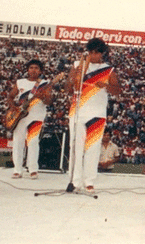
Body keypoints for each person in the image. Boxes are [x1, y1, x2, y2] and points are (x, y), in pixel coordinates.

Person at [65, 38, 121, 194]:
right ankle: (75, 181)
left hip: (97, 112)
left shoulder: (108, 69)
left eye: (96, 52)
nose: (93, 55)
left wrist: (107, 86)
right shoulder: (78, 65)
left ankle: (89, 181)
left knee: (93, 148)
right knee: (76, 147)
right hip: (77, 112)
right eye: (90, 51)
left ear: (102, 53)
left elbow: (118, 90)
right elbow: (68, 88)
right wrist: (77, 73)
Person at [7, 59, 54, 179]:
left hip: (37, 115)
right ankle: (17, 169)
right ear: (27, 70)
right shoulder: (20, 82)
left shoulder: (45, 83)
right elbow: (11, 96)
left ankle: (33, 169)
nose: (33, 70)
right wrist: (13, 107)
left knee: (33, 142)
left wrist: (42, 97)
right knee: (18, 142)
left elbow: (49, 101)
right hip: (21, 116)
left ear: (40, 71)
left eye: (36, 68)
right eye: (31, 67)